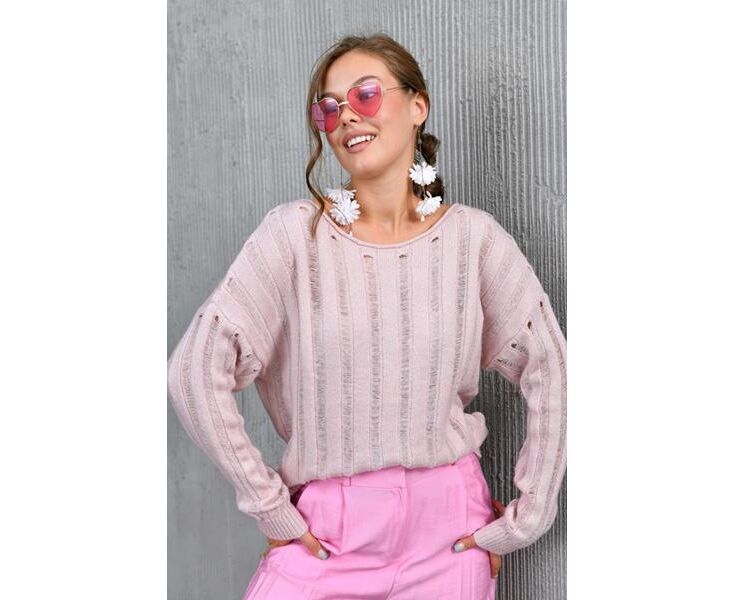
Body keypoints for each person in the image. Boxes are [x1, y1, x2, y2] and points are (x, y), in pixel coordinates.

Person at [167, 33, 567, 600]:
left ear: (417, 105)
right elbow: (193, 372)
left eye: (366, 94)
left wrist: (529, 517)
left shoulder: (472, 240)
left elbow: (552, 367)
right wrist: (268, 504)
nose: (346, 116)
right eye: (329, 109)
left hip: (448, 539)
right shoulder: (294, 236)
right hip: (328, 536)